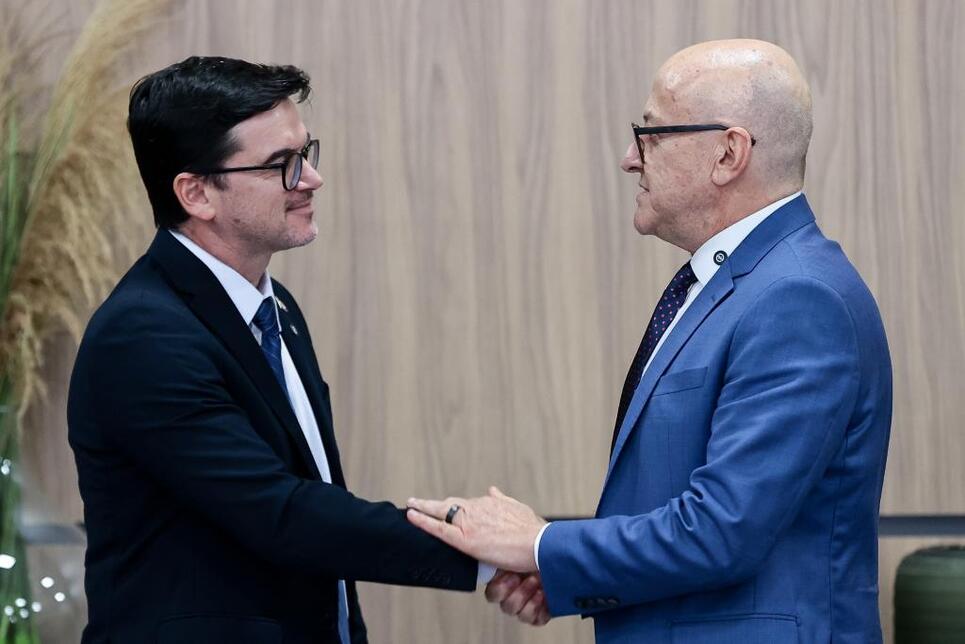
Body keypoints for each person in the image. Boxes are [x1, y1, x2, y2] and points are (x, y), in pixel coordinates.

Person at [407, 39, 893, 643]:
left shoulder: (798, 298)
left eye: (651, 135)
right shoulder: (737, 284)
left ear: (728, 153)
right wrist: (560, 572)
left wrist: (539, 544)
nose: (629, 160)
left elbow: (722, 531)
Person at [67, 56, 492, 644]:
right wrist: (490, 551)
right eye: (280, 165)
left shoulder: (276, 307)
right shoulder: (144, 334)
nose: (310, 179)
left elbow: (317, 504)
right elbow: (281, 513)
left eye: (305, 153)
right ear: (196, 193)